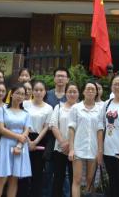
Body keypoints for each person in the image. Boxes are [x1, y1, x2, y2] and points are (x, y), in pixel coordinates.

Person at [0, 84, 32, 197]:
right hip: (5, 144)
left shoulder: (26, 113)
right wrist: (18, 137)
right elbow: (1, 129)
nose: (20, 96)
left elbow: (26, 131)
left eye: (22, 94)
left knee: (14, 180)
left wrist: (19, 145)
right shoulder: (2, 109)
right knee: (1, 178)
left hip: (20, 146)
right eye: (17, 93)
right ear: (12, 94)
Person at [68, 81, 103, 197]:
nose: (90, 91)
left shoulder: (100, 109)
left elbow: (100, 130)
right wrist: (71, 149)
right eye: (88, 89)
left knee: (90, 180)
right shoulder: (76, 108)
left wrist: (100, 151)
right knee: (77, 180)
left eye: (93, 89)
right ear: (83, 91)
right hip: (78, 148)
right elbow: (71, 129)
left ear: (96, 92)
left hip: (93, 148)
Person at [23, 80, 53, 197]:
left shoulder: (49, 108)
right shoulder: (25, 104)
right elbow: (22, 122)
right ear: (32, 91)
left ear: (45, 92)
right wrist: (28, 140)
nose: (38, 92)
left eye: (41, 90)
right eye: (36, 90)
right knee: (23, 172)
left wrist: (35, 142)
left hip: (40, 139)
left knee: (37, 172)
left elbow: (46, 127)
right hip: (24, 137)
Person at [43, 67, 70, 197]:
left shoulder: (71, 95)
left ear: (67, 79)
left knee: (65, 174)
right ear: (54, 78)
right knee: (48, 171)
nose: (60, 78)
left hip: (66, 141)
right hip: (48, 139)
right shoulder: (47, 95)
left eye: (63, 76)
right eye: (58, 75)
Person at [50, 83, 79, 197]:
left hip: (76, 149)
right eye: (69, 91)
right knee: (58, 178)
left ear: (78, 94)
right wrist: (63, 142)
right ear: (65, 93)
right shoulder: (59, 107)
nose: (72, 94)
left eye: (74, 92)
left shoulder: (81, 108)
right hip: (60, 148)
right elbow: (53, 125)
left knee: (74, 179)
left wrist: (70, 145)